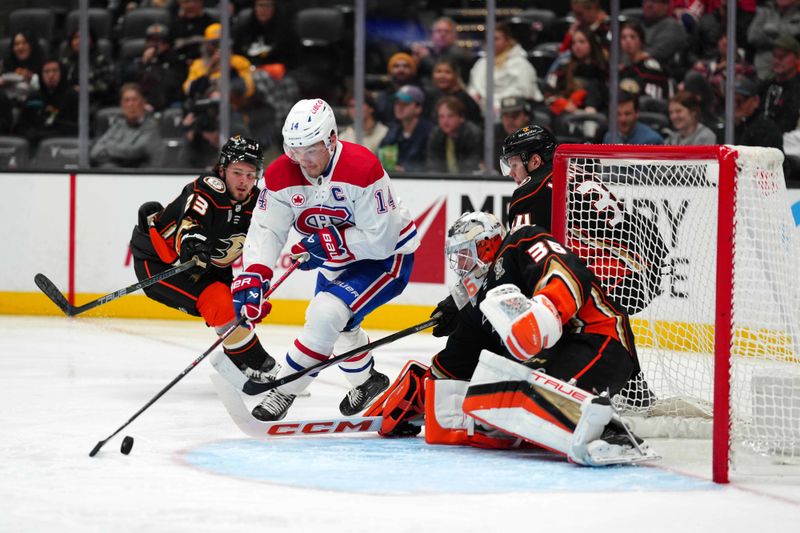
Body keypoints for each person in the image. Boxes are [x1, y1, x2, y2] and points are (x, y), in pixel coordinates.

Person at [365, 211, 656, 466]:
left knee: (528, 399)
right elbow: (454, 365)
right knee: (493, 401)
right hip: (553, 356)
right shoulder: (478, 306)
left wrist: (546, 310)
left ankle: (611, 434)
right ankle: (578, 419)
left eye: (465, 255)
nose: (461, 266)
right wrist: (419, 394)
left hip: (598, 336)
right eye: (457, 259)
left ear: (487, 244)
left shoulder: (520, 242)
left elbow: (566, 272)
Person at [231, 98, 420, 422]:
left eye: (311, 149)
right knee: (341, 325)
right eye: (294, 150)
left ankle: (285, 389)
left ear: (332, 139)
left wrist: (328, 243)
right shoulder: (281, 175)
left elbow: (381, 239)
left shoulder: (361, 168)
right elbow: (266, 229)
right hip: (340, 258)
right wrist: (255, 275)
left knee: (324, 313)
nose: (302, 160)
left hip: (388, 258)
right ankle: (367, 382)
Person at [129, 136, 276, 382]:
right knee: (220, 302)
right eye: (238, 172)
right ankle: (265, 368)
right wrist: (194, 244)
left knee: (244, 304)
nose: (244, 181)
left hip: (209, 268)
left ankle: (239, 362)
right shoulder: (207, 189)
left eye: (251, 175)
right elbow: (191, 222)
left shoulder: (256, 202)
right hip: (160, 263)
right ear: (222, 168)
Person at [502, 124, 668, 317]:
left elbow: (519, 253)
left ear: (535, 161)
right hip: (645, 266)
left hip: (617, 279)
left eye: (513, 165)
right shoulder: (574, 169)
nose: (510, 173)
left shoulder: (531, 191)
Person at [467, 21, 543, 119]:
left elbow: (525, 90)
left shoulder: (520, 63)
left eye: (496, 39)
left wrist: (500, 106)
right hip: (482, 110)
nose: (492, 43)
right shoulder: (481, 63)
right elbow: (473, 87)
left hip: (511, 110)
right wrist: (474, 97)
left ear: (507, 40)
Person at [90, 83, 163, 169]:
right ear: (121, 105)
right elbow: (95, 152)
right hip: (116, 176)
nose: (130, 104)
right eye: (126, 100)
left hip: (142, 177)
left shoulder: (151, 126)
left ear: (143, 103)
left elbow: (134, 151)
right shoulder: (118, 125)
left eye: (134, 100)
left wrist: (107, 149)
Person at [120, 23, 187, 112]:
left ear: (166, 44)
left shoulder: (176, 61)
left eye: (158, 41)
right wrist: (144, 64)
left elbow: (171, 85)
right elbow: (126, 79)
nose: (154, 45)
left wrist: (154, 65)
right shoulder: (136, 59)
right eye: (151, 40)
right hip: (137, 104)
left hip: (166, 105)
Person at [545, 25, 608, 117]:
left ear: (591, 43)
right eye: (574, 43)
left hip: (596, 112)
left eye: (582, 42)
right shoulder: (564, 67)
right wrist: (563, 104)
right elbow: (549, 90)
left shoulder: (602, 68)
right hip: (567, 112)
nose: (577, 46)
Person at [14, 58, 78, 146]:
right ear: (41, 75)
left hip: (65, 145)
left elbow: (78, 128)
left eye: (55, 71)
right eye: (46, 72)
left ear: (62, 73)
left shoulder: (72, 96)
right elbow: (21, 126)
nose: (51, 75)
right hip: (36, 145)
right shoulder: (34, 97)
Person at [378, 85, 434, 172]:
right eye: (397, 103)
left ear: (418, 108)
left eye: (405, 103)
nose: (399, 107)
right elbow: (381, 155)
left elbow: (432, 165)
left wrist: (406, 170)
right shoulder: (393, 131)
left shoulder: (430, 132)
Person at [233, 0, 299, 70]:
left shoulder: (286, 32)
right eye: (260, 5)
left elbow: (293, 60)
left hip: (277, 74)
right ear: (255, 7)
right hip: (246, 73)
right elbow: (236, 55)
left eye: (268, 6)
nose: (264, 9)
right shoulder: (243, 30)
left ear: (274, 8)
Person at [425, 95, 482, 174]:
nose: (445, 121)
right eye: (441, 117)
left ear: (461, 118)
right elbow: (433, 164)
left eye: (450, 116)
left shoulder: (472, 134)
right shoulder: (436, 134)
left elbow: (472, 165)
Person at [619, 21, 673, 103]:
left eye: (632, 37)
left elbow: (653, 100)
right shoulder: (624, 70)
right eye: (623, 37)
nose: (627, 41)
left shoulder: (651, 67)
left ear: (641, 41)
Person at [59, 28, 115, 107]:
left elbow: (107, 84)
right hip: (70, 101)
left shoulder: (101, 61)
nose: (79, 41)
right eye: (76, 38)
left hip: (96, 101)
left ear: (91, 41)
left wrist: (85, 89)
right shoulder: (64, 63)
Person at [412, 17, 475, 87]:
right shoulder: (432, 52)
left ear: (455, 36)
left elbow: (443, 71)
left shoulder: (459, 54)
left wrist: (425, 57)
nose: (442, 35)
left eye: (447, 31)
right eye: (439, 31)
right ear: (432, 35)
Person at [747, 0, 800, 81]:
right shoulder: (766, 9)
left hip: (793, 75)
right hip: (761, 71)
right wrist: (781, 35)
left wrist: (769, 31)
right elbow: (753, 36)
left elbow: (794, 38)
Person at [424, 57, 482, 125]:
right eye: (438, 71)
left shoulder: (465, 100)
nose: (442, 76)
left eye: (447, 72)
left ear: (456, 75)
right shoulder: (431, 96)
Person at [761, 36, 800, 134]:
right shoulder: (766, 85)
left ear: (797, 59)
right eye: (775, 55)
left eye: (782, 56)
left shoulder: (797, 88)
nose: (777, 60)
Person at [734, 77, 784, 150]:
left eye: (740, 100)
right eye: (732, 100)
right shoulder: (730, 127)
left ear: (755, 100)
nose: (735, 105)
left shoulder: (766, 130)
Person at [0, 31, 44, 104]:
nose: (20, 47)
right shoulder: (5, 64)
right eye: (16, 44)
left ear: (32, 45)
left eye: (24, 43)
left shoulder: (43, 65)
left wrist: (31, 77)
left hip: (32, 105)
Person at [641, 0, 688, 66]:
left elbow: (656, 54)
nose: (648, 5)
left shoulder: (672, 26)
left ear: (666, 6)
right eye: (646, 1)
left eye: (653, 1)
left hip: (661, 72)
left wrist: (634, 55)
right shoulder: (639, 23)